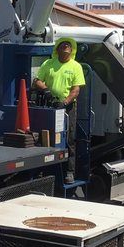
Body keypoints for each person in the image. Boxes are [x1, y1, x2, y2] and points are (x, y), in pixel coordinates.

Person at [34, 37, 85, 181]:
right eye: (62, 45)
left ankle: (69, 171)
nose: (66, 47)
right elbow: (37, 80)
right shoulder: (48, 64)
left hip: (67, 109)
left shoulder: (76, 67)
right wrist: (47, 91)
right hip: (49, 106)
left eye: (68, 45)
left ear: (72, 50)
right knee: (45, 138)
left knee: (69, 139)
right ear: (57, 49)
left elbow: (76, 90)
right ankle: (43, 169)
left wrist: (65, 102)